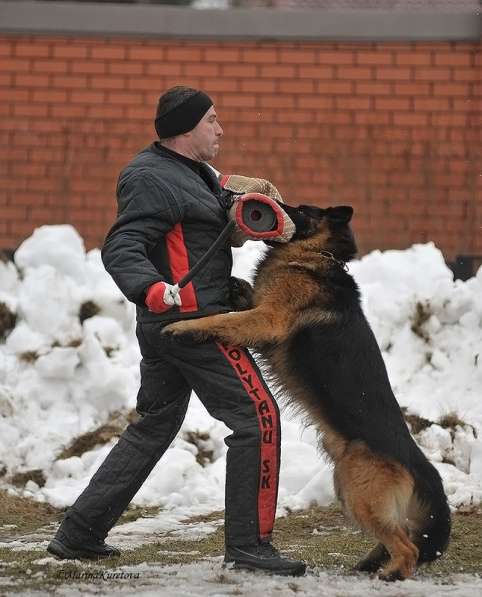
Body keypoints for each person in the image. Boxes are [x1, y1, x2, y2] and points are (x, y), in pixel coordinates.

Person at [47, 86, 306, 576]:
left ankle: (79, 533)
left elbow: (197, 227)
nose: (221, 129)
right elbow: (123, 244)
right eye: (212, 120)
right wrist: (149, 287)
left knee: (155, 423)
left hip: (177, 322)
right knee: (258, 418)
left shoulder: (195, 174)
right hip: (191, 323)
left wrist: (238, 213)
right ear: (186, 128)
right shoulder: (151, 177)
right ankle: (250, 546)